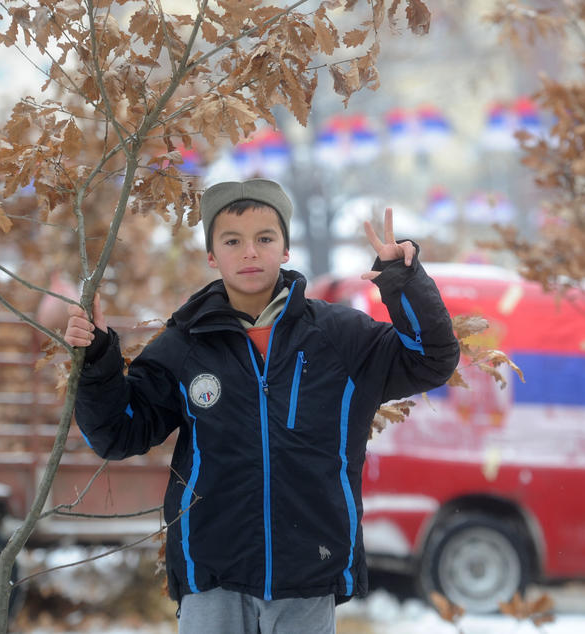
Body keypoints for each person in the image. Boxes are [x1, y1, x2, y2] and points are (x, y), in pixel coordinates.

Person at [64, 178, 460, 634]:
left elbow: (431, 360)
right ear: (212, 255)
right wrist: (97, 359)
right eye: (232, 241)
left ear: (285, 249)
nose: (249, 252)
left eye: (265, 239)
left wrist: (402, 281)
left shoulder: (340, 338)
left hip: (309, 569)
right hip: (212, 574)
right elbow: (118, 433)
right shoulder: (184, 346)